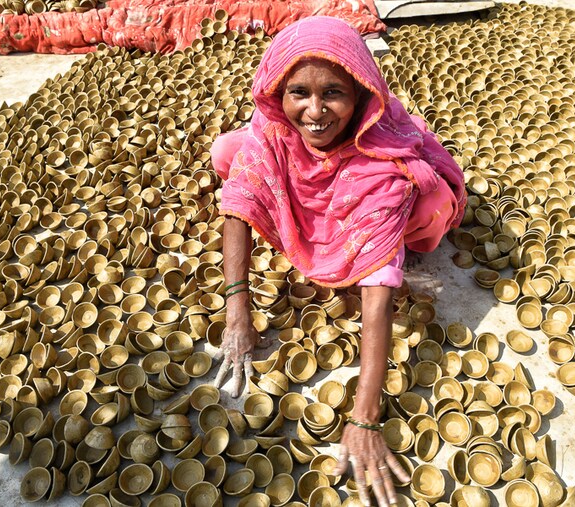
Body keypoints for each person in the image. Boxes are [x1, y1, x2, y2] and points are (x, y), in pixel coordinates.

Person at [210, 16, 465, 507]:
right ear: (277, 92)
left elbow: (378, 289)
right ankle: (317, 216)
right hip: (306, 170)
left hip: (367, 165)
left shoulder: (381, 169)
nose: (315, 111)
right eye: (299, 92)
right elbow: (239, 200)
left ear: (361, 94)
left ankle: (410, 138)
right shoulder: (274, 126)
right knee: (228, 153)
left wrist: (365, 415)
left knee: (428, 205)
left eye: (334, 93)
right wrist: (236, 312)